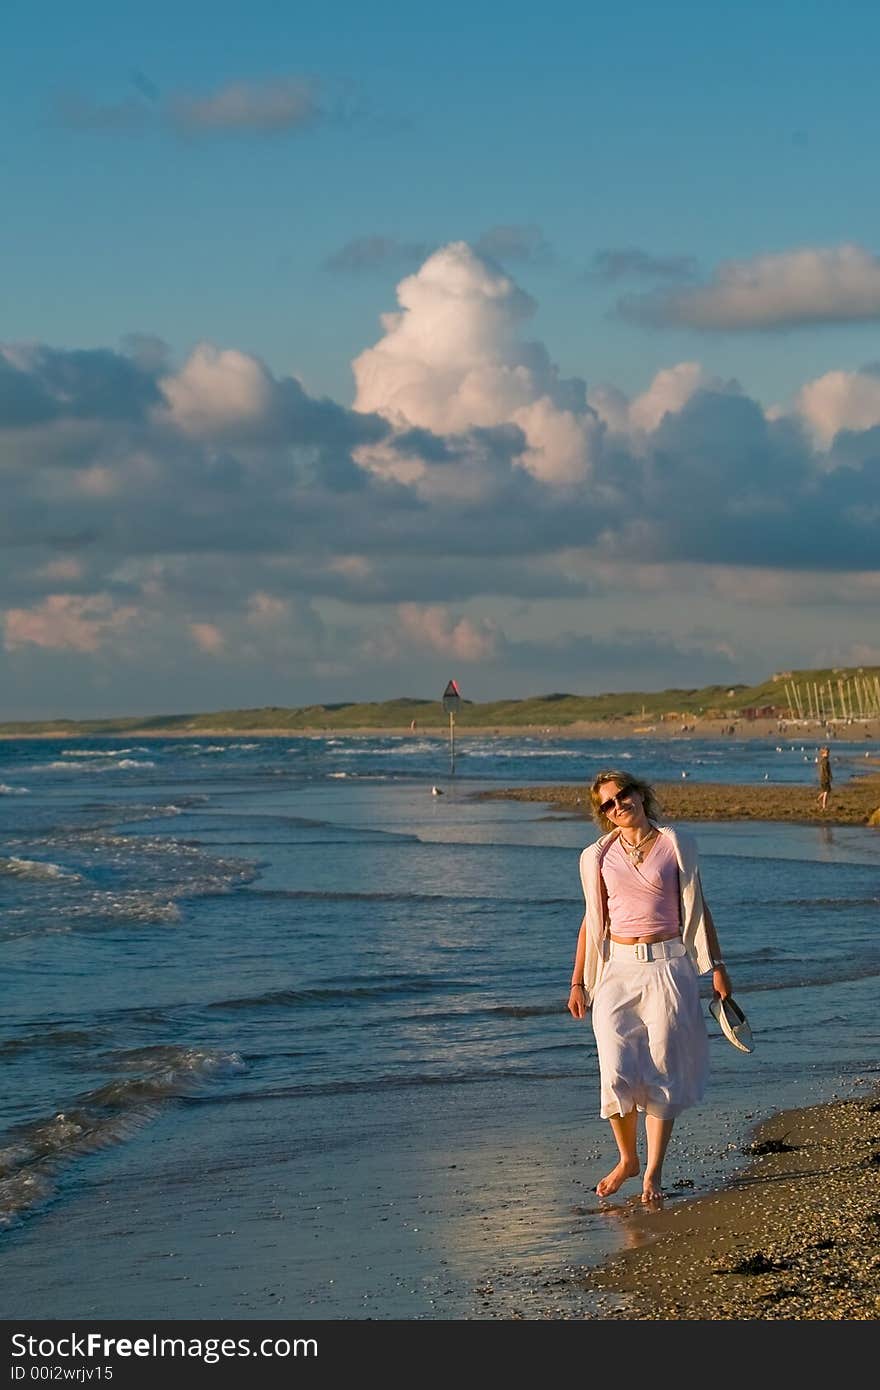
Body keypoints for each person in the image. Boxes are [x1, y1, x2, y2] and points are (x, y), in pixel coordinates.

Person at [567, 770, 733, 1203]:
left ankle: (653, 1172)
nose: (618, 805)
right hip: (616, 972)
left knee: (662, 1070)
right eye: (607, 803)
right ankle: (627, 1158)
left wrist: (715, 966)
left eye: (623, 795)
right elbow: (591, 919)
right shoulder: (597, 857)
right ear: (603, 814)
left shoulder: (675, 844)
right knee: (616, 1066)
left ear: (640, 794)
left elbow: (698, 907)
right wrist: (578, 980)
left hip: (668, 968)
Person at [816, 746, 832, 811]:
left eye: (828, 753)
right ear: (823, 754)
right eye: (826, 753)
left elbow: (826, 770)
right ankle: (824, 806)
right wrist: (828, 777)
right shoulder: (825, 761)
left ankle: (817, 800)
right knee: (826, 792)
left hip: (822, 778)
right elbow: (825, 770)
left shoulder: (822, 761)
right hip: (824, 778)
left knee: (826, 790)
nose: (828, 754)